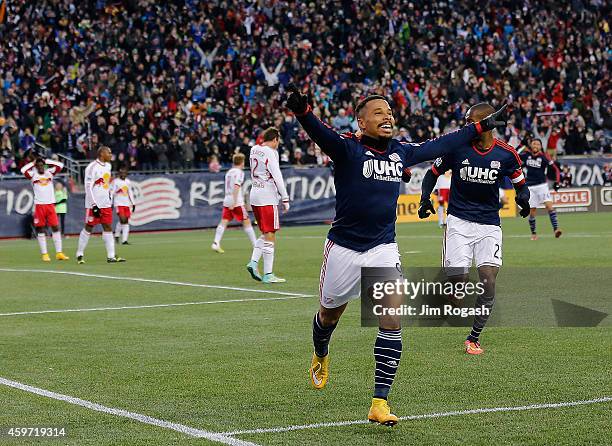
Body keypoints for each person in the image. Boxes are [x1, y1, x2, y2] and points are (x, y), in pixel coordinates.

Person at [285, 85, 508, 425]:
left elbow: (442, 144)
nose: (387, 116)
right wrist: (303, 112)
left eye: (389, 112)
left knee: (391, 319)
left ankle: (379, 403)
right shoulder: (347, 148)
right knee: (328, 317)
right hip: (343, 249)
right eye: (378, 112)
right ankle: (321, 352)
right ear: (360, 122)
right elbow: (320, 133)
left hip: (383, 248)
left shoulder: (400, 152)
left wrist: (480, 126)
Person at [418, 103, 530, 356]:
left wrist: (524, 199)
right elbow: (431, 174)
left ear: (487, 122)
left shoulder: (506, 154)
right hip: (459, 222)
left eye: (470, 121)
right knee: (459, 283)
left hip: (489, 224)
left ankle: (473, 338)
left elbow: (521, 184)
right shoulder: (456, 148)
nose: (467, 127)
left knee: (488, 282)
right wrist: (425, 198)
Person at [246, 128, 290, 284]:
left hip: (255, 194)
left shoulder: (254, 149)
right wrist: (285, 198)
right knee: (270, 233)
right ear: (276, 139)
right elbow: (277, 176)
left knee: (265, 232)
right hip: (267, 196)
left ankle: (253, 262)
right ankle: (268, 273)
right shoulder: (271, 152)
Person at [76, 146, 125, 263]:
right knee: (89, 227)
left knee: (108, 227)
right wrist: (93, 205)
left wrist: (110, 199)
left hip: (106, 204)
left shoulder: (108, 166)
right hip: (94, 204)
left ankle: (111, 256)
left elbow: (106, 185)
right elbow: (88, 187)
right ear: (102, 154)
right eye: (109, 153)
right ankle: (79, 254)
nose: (110, 155)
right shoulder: (92, 167)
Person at [21, 157, 69, 261]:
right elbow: (23, 170)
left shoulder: (49, 173)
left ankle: (59, 253)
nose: (41, 167)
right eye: (38, 165)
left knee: (56, 227)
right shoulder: (33, 175)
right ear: (36, 167)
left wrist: (47, 161)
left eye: (42, 165)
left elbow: (60, 165)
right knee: (40, 229)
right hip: (39, 205)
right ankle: (44, 254)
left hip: (50, 205)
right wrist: (32, 163)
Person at [212, 153, 257, 253]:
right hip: (236, 201)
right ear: (241, 162)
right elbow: (236, 186)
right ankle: (255, 245)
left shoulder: (229, 172)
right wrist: (235, 201)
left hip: (227, 199)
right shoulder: (239, 172)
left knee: (224, 220)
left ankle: (216, 242)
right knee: (246, 221)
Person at [520, 138, 562, 240]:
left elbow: (555, 169)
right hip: (530, 187)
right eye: (534, 143)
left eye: (538, 144)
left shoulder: (544, 157)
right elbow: (514, 154)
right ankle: (534, 234)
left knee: (549, 206)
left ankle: (556, 229)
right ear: (531, 145)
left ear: (541, 146)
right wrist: (522, 144)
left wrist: (557, 182)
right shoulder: (526, 155)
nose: (535, 146)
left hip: (542, 186)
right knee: (532, 211)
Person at [112, 166, 136, 245]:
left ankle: (123, 240)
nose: (123, 174)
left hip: (126, 204)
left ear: (126, 174)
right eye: (121, 173)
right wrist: (111, 202)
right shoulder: (115, 182)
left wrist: (133, 203)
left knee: (125, 221)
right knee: (122, 220)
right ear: (119, 174)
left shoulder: (128, 182)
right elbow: (111, 192)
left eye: (124, 173)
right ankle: (117, 236)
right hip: (118, 203)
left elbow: (130, 193)